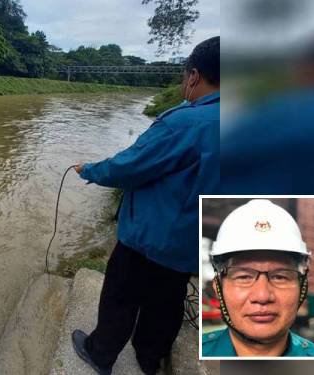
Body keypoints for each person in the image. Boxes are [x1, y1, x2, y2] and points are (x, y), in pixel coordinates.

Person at [70, 36, 220, 375]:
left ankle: (100, 353)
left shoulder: (183, 123)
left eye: (185, 78)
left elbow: (129, 166)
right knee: (167, 300)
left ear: (193, 76)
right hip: (196, 240)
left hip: (151, 235)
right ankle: (149, 358)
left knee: (120, 295)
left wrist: (88, 170)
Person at [202, 199, 314, 357]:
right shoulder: (193, 358)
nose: (262, 296)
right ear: (218, 288)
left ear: (302, 287)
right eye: (243, 277)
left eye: (279, 277)